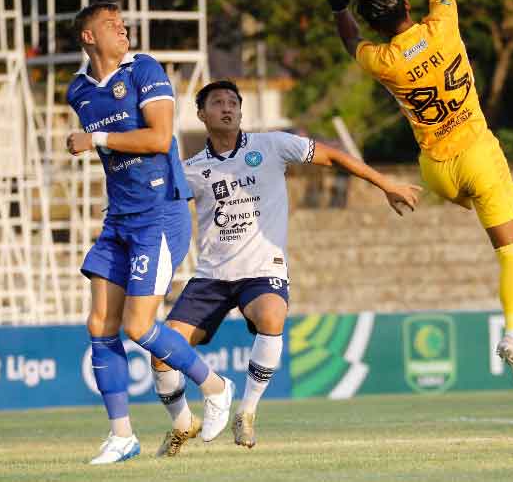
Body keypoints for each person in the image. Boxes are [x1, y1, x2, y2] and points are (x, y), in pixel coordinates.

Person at [314, 0, 513, 398]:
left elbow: (347, 40)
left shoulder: (380, 60)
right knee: (512, 253)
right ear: (408, 7)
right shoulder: (441, 27)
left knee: (497, 201)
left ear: (377, 26)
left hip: (435, 170)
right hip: (476, 152)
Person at [150, 80, 420, 456]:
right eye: (218, 103)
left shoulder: (272, 145)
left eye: (233, 102)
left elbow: (334, 156)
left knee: (272, 317)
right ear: (201, 114)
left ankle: (246, 411)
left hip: (261, 269)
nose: (227, 108)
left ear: (241, 112)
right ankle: (181, 424)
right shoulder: (190, 170)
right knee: (161, 353)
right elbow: (162, 208)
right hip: (211, 276)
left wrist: (384, 183)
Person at [65, 1, 231, 465]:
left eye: (124, 24)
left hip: (159, 215)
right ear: (89, 37)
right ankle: (122, 436)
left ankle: (215, 386)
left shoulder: (145, 70)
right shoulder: (78, 90)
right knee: (100, 325)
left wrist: (94, 140)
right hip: (118, 216)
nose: (123, 29)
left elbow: (159, 139)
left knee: (138, 326)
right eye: (111, 25)